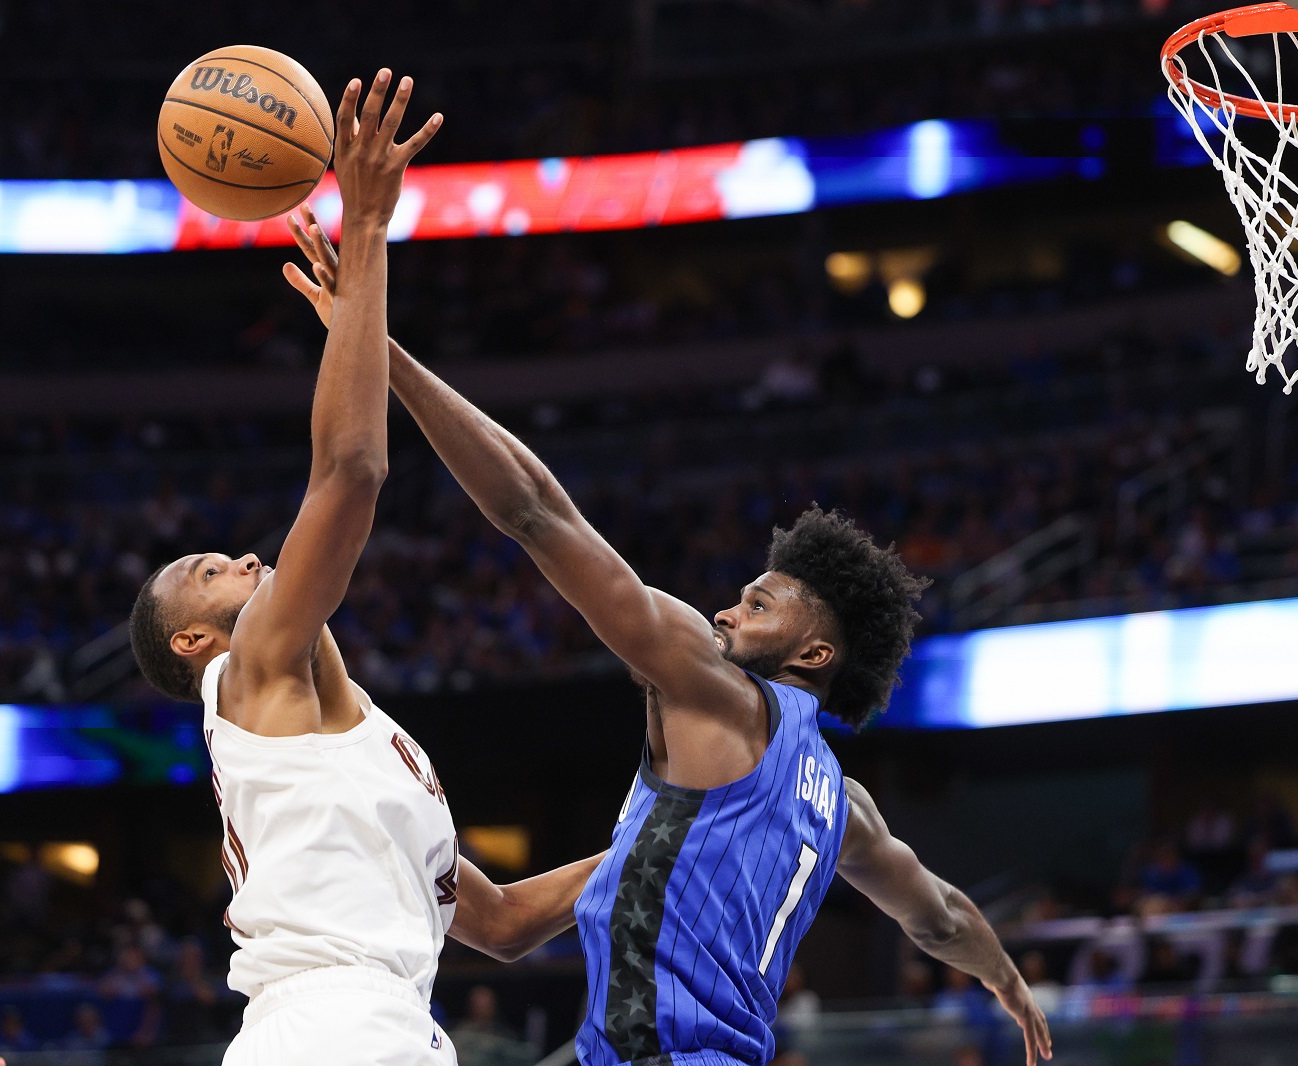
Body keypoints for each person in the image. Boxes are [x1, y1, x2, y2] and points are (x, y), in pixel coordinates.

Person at [280, 213, 1055, 1066]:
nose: (725, 613)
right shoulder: (846, 809)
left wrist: (373, 345)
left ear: (813, 656)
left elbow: (534, 512)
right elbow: (939, 914)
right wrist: (1005, 978)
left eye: (757, 606)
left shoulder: (715, 689)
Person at [128, 71, 599, 1065]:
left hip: (372, 1024)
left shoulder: (347, 748)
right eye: (214, 568)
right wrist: (370, 223)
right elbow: (349, 471)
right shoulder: (246, 671)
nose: (250, 556)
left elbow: (507, 922)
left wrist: (680, 828)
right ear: (195, 641)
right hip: (331, 1029)